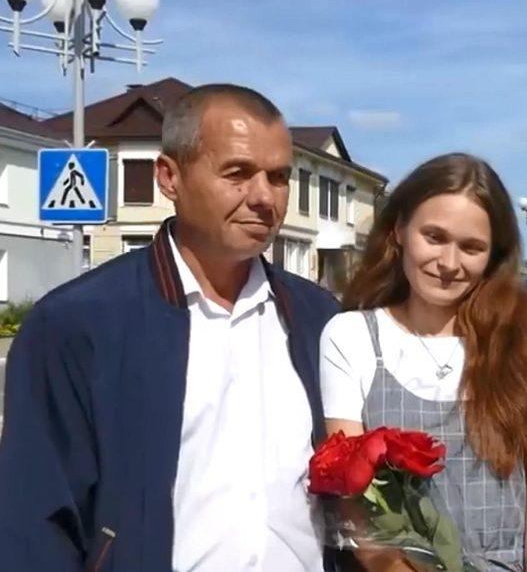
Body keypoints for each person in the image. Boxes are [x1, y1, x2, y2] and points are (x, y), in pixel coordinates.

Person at [0, 85, 340, 571]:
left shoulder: (319, 319)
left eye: (279, 177)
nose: (265, 197)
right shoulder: (77, 324)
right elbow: (35, 524)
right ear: (169, 177)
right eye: (237, 173)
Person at [320, 153, 527, 572]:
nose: (450, 263)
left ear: (493, 255)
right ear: (400, 230)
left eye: (471, 247)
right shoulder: (352, 337)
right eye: (434, 237)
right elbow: (355, 501)